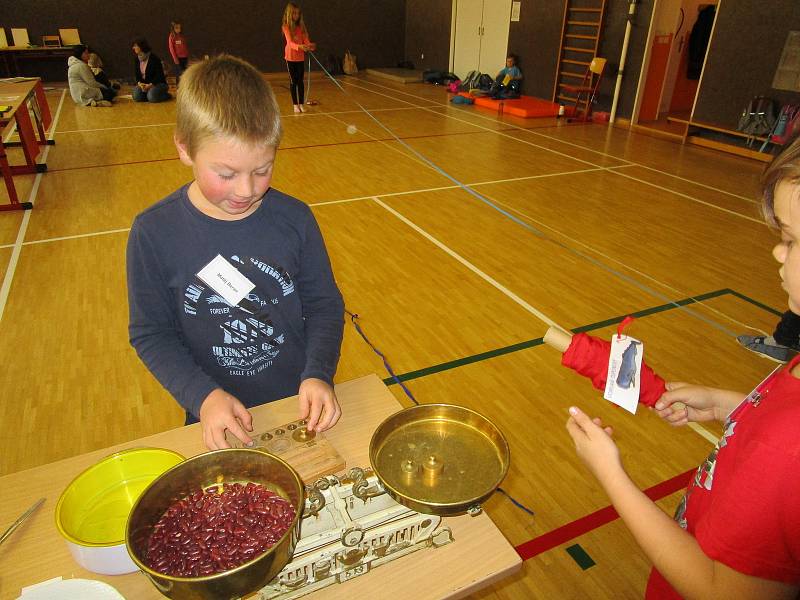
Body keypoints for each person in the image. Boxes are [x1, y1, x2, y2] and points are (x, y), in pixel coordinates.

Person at [566, 136, 800, 599]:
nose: (777, 252)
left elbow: (721, 591)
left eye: (791, 239)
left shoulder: (788, 450)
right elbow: (777, 412)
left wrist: (611, 475)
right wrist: (726, 405)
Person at [126, 54, 344, 451]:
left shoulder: (296, 220)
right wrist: (203, 397)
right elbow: (151, 333)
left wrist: (318, 374)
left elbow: (325, 305)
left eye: (262, 169)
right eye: (226, 174)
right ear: (184, 148)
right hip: (215, 415)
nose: (246, 190)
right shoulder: (153, 232)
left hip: (296, 403)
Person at [282, 2, 316, 114]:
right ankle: (295, 105)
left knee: (300, 81)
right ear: (289, 14)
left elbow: (306, 40)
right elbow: (290, 43)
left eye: (298, 13)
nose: (296, 16)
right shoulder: (286, 27)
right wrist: (299, 46)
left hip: (300, 58)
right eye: (294, 13)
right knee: (293, 81)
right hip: (290, 57)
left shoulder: (301, 27)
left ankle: (301, 104)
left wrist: (309, 45)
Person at [132, 37, 170, 103]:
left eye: (135, 46)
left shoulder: (154, 59)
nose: (133, 48)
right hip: (145, 85)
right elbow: (137, 76)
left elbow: (160, 76)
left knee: (152, 97)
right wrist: (140, 84)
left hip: (158, 84)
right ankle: (148, 95)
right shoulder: (136, 60)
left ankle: (166, 95)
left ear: (141, 47)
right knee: (136, 96)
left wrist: (150, 85)